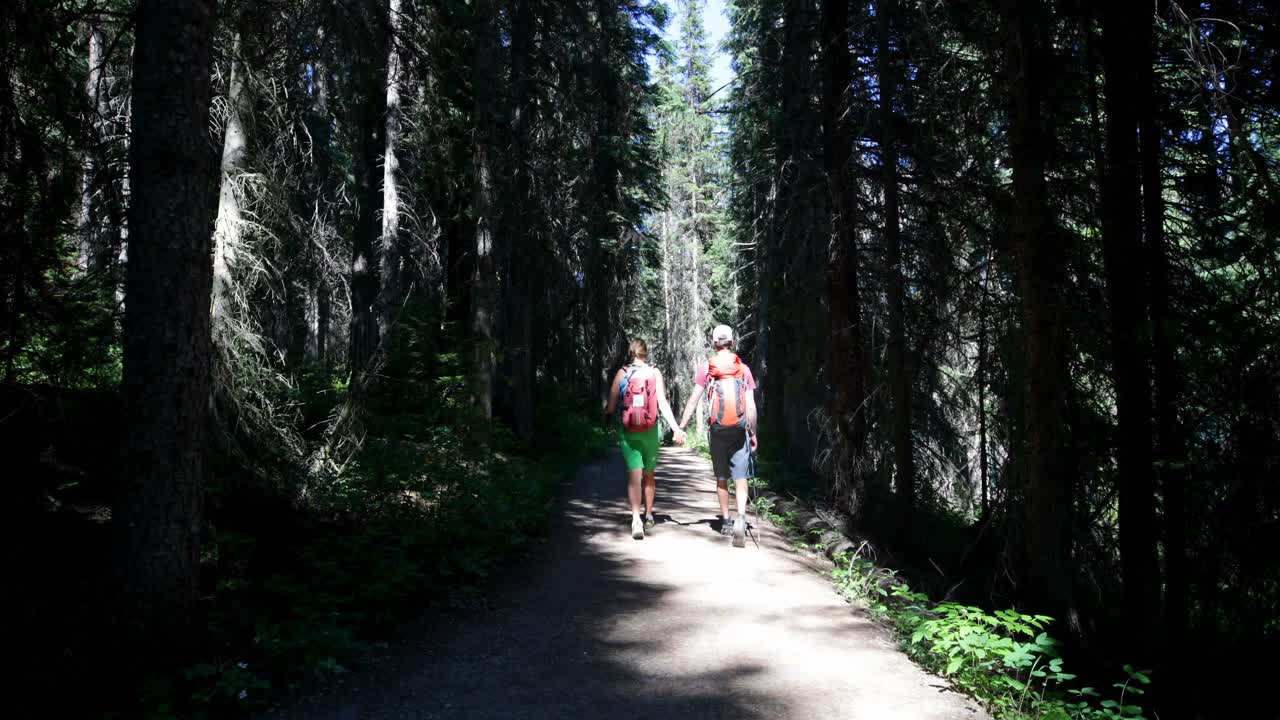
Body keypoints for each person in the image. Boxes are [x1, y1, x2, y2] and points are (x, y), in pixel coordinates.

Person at [678, 325, 758, 548]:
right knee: (741, 476)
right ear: (732, 342)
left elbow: (694, 400)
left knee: (722, 477)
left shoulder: (707, 368)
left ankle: (725, 521)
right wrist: (753, 433)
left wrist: (681, 426)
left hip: (717, 430)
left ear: (714, 343)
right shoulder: (743, 369)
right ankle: (740, 517)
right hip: (740, 429)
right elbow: (751, 406)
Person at [605, 339, 688, 540]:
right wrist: (676, 429)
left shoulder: (622, 373)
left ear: (631, 353)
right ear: (645, 353)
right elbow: (662, 403)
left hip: (629, 431)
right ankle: (649, 514)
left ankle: (635, 519)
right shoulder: (654, 372)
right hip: (651, 432)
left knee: (634, 475)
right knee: (649, 474)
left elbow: (611, 405)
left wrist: (606, 418)